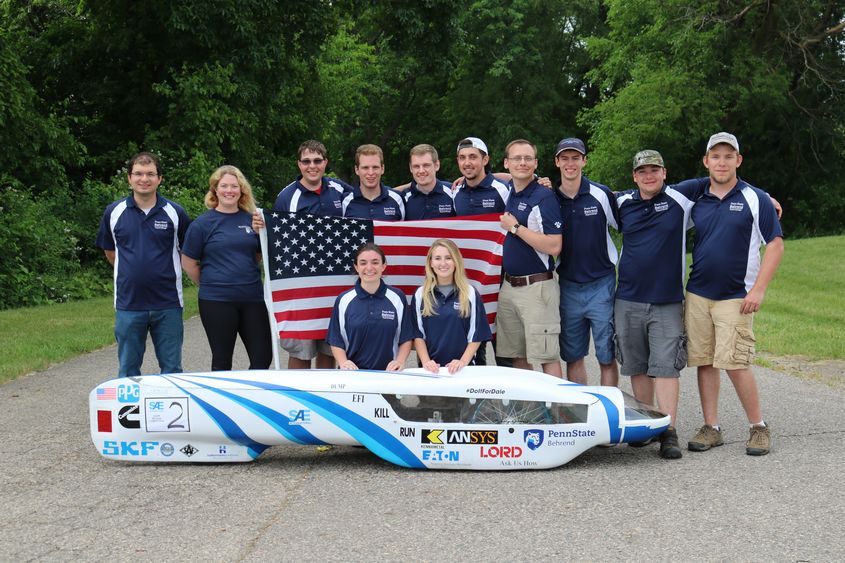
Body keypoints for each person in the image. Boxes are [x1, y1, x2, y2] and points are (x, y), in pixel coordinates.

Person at [685, 132, 784, 456]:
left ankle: (758, 426)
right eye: (716, 156)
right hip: (698, 293)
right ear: (706, 161)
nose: (722, 162)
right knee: (705, 362)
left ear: (738, 160)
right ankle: (711, 427)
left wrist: (759, 289)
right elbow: (652, 192)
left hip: (735, 296)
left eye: (729, 156)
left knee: (736, 362)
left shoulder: (755, 198)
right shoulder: (697, 196)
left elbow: (775, 245)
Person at [615, 150, 709, 459]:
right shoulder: (621, 202)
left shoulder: (681, 197)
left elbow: (726, 178)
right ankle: (647, 424)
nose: (648, 175)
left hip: (667, 299)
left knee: (666, 367)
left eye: (654, 169)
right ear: (634, 176)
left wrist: (764, 199)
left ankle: (668, 430)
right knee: (638, 365)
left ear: (664, 172)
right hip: (627, 297)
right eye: (642, 171)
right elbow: (578, 190)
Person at [252, 140, 351, 370]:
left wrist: (406, 187)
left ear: (325, 162)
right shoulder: (287, 197)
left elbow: (369, 197)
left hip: (333, 280)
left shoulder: (340, 190)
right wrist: (262, 226)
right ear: (299, 164)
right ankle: (298, 399)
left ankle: (325, 397)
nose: (312, 166)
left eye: (317, 161)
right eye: (306, 161)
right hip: (300, 283)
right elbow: (276, 235)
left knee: (329, 346)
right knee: (301, 348)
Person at [95, 152, 191, 377]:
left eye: (150, 174)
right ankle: (130, 412)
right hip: (129, 303)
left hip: (168, 302)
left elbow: (186, 252)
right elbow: (110, 251)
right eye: (138, 173)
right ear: (129, 178)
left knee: (172, 370)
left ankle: (170, 412)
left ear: (160, 179)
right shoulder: (114, 212)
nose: (144, 179)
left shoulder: (175, 212)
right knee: (128, 369)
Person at [181, 165, 272, 371]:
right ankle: (221, 403)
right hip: (217, 300)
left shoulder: (253, 219)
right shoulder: (202, 224)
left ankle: (248, 399)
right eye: (224, 186)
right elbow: (188, 262)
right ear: (215, 190)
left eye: (234, 186)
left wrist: (259, 233)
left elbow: (257, 255)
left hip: (252, 298)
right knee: (222, 360)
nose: (229, 190)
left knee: (262, 358)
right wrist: (208, 283)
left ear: (242, 190)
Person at [553, 138, 620, 386]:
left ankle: (608, 413)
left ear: (584, 160)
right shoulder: (550, 198)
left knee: (606, 355)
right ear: (557, 162)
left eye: (575, 158)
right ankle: (578, 413)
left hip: (601, 283)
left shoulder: (600, 194)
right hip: (568, 283)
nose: (570, 164)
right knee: (573, 355)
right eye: (565, 158)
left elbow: (624, 225)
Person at [496, 139, 564, 377]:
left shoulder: (544, 197)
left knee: (546, 357)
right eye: (516, 158)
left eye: (527, 158)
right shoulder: (509, 192)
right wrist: (464, 179)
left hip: (537, 287)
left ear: (536, 163)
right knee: (519, 357)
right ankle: (529, 413)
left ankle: (555, 412)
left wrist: (515, 228)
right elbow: (500, 176)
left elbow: (555, 245)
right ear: (507, 163)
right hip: (510, 287)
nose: (522, 163)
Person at [327, 243, 414, 371]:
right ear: (356, 267)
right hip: (352, 375)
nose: (369, 268)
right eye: (363, 263)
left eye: (375, 262)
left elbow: (406, 337)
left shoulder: (397, 297)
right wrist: (343, 362)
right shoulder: (344, 300)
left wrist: (400, 361)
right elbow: (336, 339)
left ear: (384, 266)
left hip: (388, 375)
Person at [411, 239, 492, 373]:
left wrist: (462, 362)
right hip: (431, 371)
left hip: (464, 371)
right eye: (437, 258)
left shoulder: (470, 292)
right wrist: (426, 362)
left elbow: (476, 335)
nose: (443, 263)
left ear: (456, 261)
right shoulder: (420, 294)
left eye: (448, 258)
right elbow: (418, 335)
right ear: (430, 263)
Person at [342, 144, 405, 220]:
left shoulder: (398, 199)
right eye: (365, 168)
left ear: (382, 168)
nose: (371, 173)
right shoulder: (345, 201)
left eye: (375, 167)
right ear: (357, 170)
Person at [452, 137, 511, 216]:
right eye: (462, 158)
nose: (467, 163)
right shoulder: (455, 191)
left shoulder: (504, 189)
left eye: (473, 157)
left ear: (485, 160)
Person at [402, 144, 456, 220]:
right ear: (411, 168)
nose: (421, 171)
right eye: (416, 166)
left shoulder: (453, 193)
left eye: (426, 165)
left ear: (437, 165)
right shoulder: (403, 199)